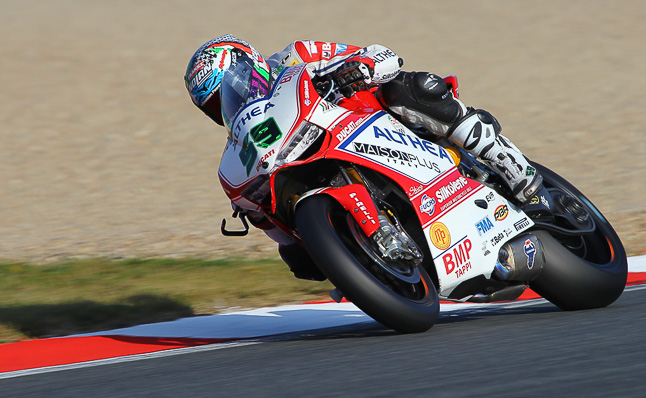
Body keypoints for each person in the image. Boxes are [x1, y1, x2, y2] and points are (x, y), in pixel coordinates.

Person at [184, 35, 543, 278]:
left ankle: (508, 163)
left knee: (408, 88)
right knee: (298, 259)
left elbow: (379, 55)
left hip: (374, 121)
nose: (225, 105)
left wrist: (360, 67)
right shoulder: (241, 149)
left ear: (249, 67)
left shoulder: (296, 56)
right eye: (214, 105)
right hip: (318, 152)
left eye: (227, 89)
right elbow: (266, 221)